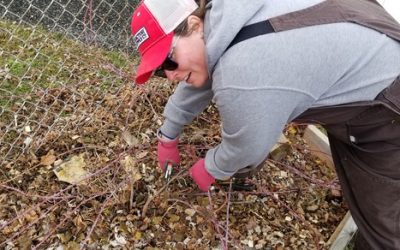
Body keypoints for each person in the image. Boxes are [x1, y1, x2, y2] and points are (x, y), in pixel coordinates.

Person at [130, 0, 400, 248]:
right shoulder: (225, 14)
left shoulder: (243, 71)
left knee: (383, 221)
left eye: (168, 59)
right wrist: (168, 133)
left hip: (387, 106)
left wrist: (209, 168)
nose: (170, 74)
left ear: (194, 24)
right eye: (159, 70)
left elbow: (246, 147)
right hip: (373, 40)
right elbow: (204, 67)